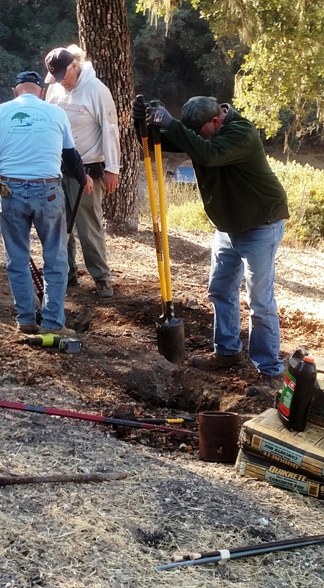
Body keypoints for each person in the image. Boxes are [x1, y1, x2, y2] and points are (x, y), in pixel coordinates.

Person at [134, 95, 290, 392]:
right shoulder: (205, 132)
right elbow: (159, 143)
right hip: (228, 225)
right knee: (220, 290)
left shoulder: (240, 133)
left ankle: (270, 371)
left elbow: (208, 154)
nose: (196, 136)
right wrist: (140, 122)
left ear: (217, 120)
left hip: (261, 224)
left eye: (201, 131)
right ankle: (227, 352)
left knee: (259, 301)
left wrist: (172, 124)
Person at [0, 71, 93, 336]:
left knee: (17, 259)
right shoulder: (56, 113)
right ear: (40, 91)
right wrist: (84, 178)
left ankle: (26, 320)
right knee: (55, 259)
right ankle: (52, 324)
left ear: (15, 90)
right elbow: (70, 155)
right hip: (47, 191)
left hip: (10, 192)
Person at [43, 45, 120, 297]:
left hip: (88, 167)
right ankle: (67, 273)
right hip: (58, 167)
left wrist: (112, 168)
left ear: (75, 66)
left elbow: (110, 129)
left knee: (88, 224)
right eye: (56, 77)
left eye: (64, 75)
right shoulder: (54, 89)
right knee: (59, 223)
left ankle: (101, 278)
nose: (61, 81)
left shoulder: (96, 90)